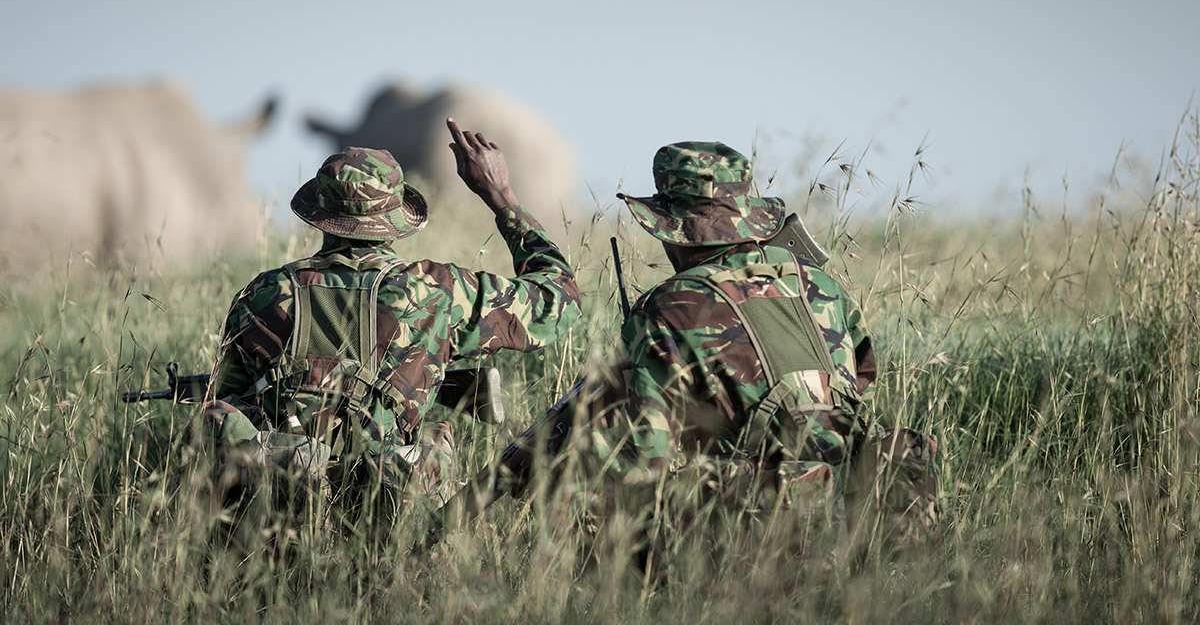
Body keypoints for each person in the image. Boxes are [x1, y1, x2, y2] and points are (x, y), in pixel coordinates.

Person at [202, 119, 582, 521]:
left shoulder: (263, 294)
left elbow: (230, 403)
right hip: (395, 523)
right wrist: (500, 194)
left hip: (278, 522)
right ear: (396, 218)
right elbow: (558, 303)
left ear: (319, 212)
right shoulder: (438, 291)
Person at [585, 141, 939, 561]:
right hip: (867, 523)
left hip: (757, 539)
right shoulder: (821, 285)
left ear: (670, 229)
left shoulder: (667, 306)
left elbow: (647, 457)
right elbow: (861, 379)